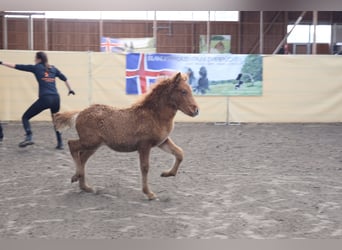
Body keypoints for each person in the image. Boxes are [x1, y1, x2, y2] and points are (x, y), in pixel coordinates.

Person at [0, 51, 75, 149]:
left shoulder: (36, 67)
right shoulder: (53, 68)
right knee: (56, 121)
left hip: (45, 98)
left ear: (39, 59)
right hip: (56, 99)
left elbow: (17, 66)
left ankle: (29, 136)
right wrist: (70, 90)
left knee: (25, 117)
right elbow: (65, 78)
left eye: (35, 58)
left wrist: (2, 63)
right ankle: (60, 143)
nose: (34, 60)